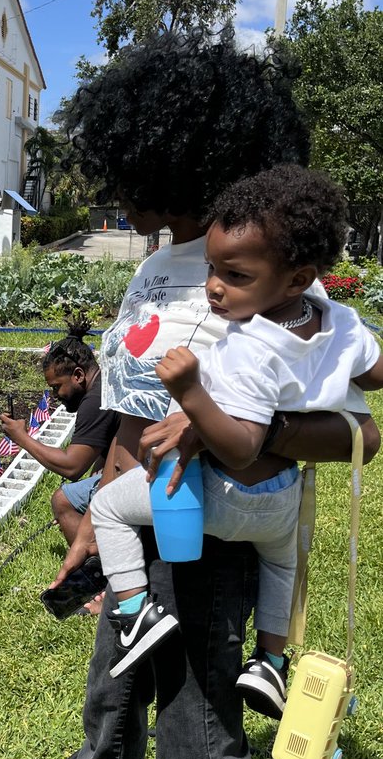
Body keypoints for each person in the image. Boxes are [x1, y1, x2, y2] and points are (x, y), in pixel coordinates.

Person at [13, 30, 380, 759]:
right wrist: (98, 517)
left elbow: (335, 424)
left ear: (173, 162)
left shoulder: (229, 278)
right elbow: (138, 408)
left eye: (132, 180)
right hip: (183, 520)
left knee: (199, 733)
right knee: (117, 676)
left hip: (211, 540)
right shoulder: (221, 276)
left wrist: (251, 443)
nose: (122, 201)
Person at [90, 165, 383, 717]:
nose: (215, 288)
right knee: (282, 567)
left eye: (235, 276)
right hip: (283, 501)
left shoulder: (251, 342)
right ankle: (271, 662)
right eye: (212, 269)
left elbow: (241, 445)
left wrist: (191, 395)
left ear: (296, 279)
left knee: (108, 505)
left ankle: (134, 612)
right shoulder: (338, 321)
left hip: (223, 496)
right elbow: (374, 374)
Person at [0, 327, 120, 543]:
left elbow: (71, 467)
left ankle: (94, 565)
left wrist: (22, 438)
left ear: (78, 375)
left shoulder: (94, 401)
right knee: (82, 492)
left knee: (63, 500)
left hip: (141, 477)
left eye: (56, 387)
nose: (55, 396)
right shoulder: (105, 382)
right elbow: (107, 439)